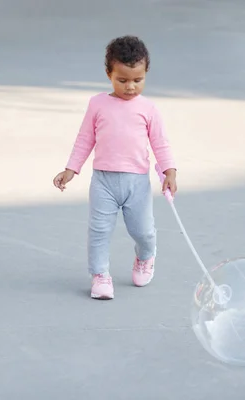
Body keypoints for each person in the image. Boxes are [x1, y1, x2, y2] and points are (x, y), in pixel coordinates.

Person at [52, 35, 178, 300]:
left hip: (137, 183)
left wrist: (170, 172)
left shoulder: (149, 109)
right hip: (103, 181)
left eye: (137, 80)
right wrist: (71, 169)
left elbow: (161, 144)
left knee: (143, 231)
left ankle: (145, 256)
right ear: (109, 73)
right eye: (122, 80)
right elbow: (85, 138)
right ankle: (99, 275)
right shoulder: (97, 104)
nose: (130, 87)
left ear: (146, 74)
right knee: (99, 230)